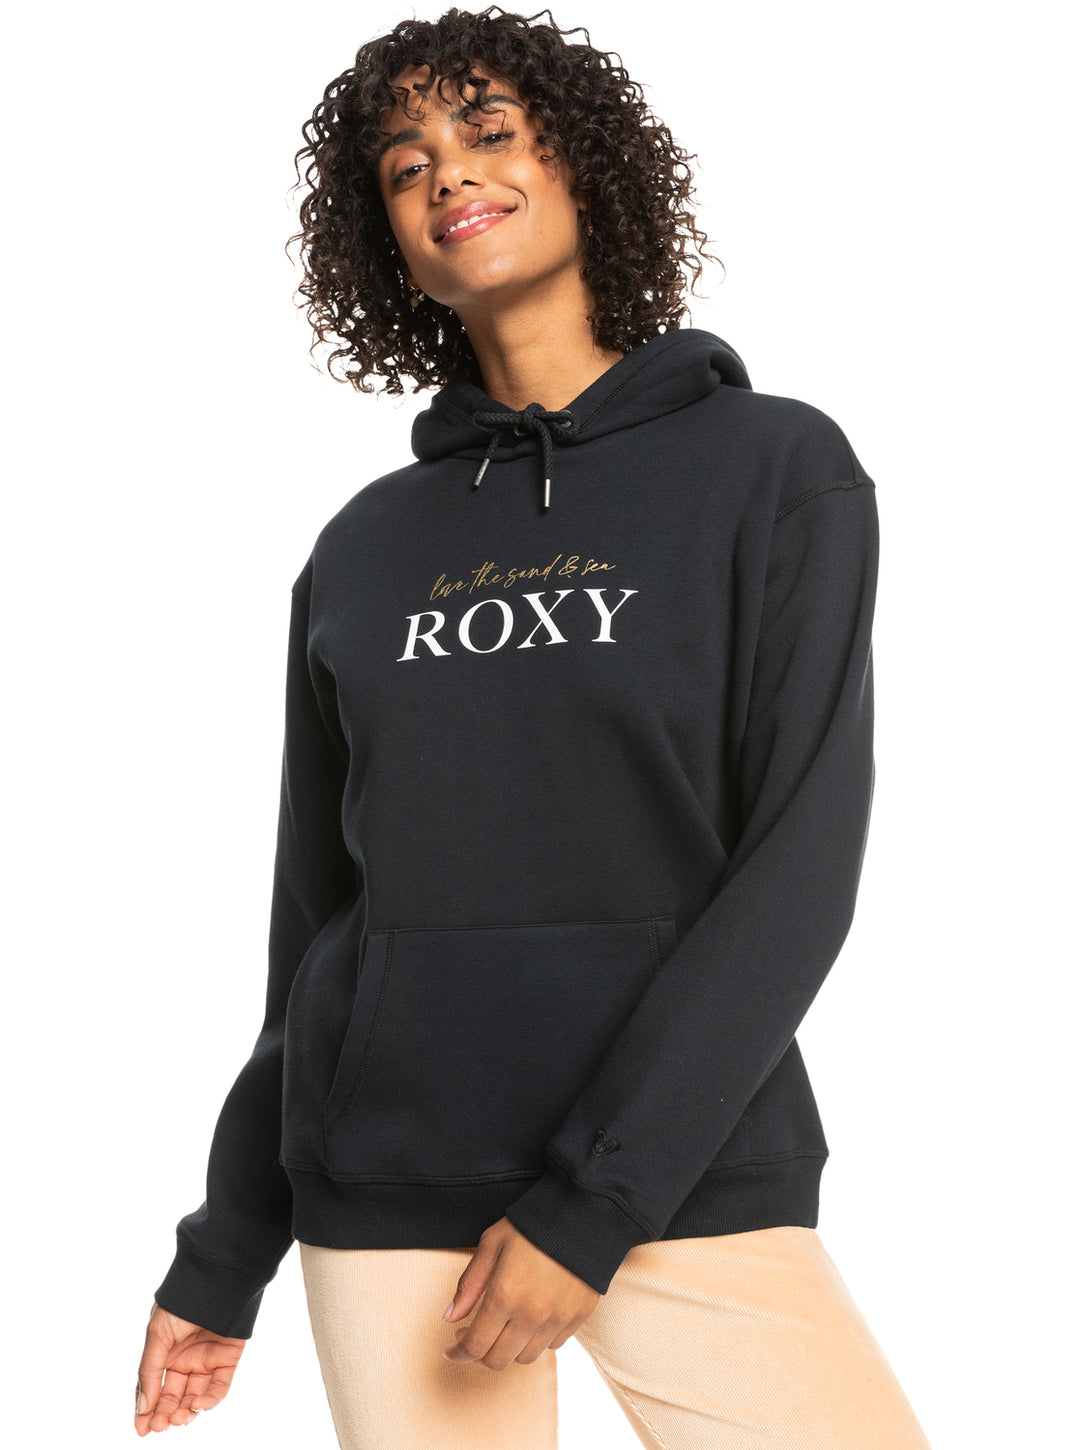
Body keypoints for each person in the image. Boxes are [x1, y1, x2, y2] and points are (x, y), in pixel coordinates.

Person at [134, 6, 933, 1446]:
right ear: (389, 244)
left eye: (487, 131)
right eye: (405, 165)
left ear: (581, 164)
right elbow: (315, 918)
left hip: (675, 1173)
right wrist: (227, 1241)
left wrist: (592, 1202)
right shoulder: (363, 547)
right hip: (389, 1192)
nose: (447, 172)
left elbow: (799, 864)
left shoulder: (774, 469)